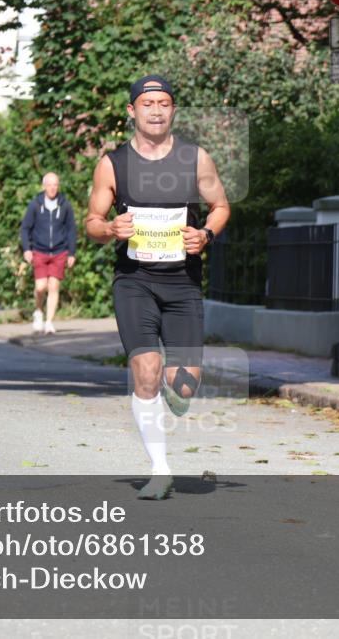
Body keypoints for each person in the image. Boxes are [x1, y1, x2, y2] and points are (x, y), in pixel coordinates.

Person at [85, 75, 230, 499]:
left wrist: (205, 235)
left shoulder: (194, 159)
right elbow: (92, 222)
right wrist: (111, 227)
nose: (155, 110)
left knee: (184, 385)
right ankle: (160, 469)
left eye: (163, 103)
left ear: (172, 110)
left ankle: (174, 396)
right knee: (145, 372)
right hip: (135, 282)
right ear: (132, 111)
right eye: (147, 103)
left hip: (183, 284)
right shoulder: (113, 164)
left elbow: (221, 207)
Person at [20, 172, 77, 334]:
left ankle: (49, 322)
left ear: (58, 186)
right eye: (50, 185)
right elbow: (25, 228)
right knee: (40, 287)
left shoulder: (65, 205)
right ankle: (38, 311)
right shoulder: (35, 205)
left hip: (59, 251)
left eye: (55, 185)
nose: (52, 188)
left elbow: (72, 229)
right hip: (39, 250)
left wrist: (71, 252)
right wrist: (27, 249)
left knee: (54, 286)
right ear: (44, 186)